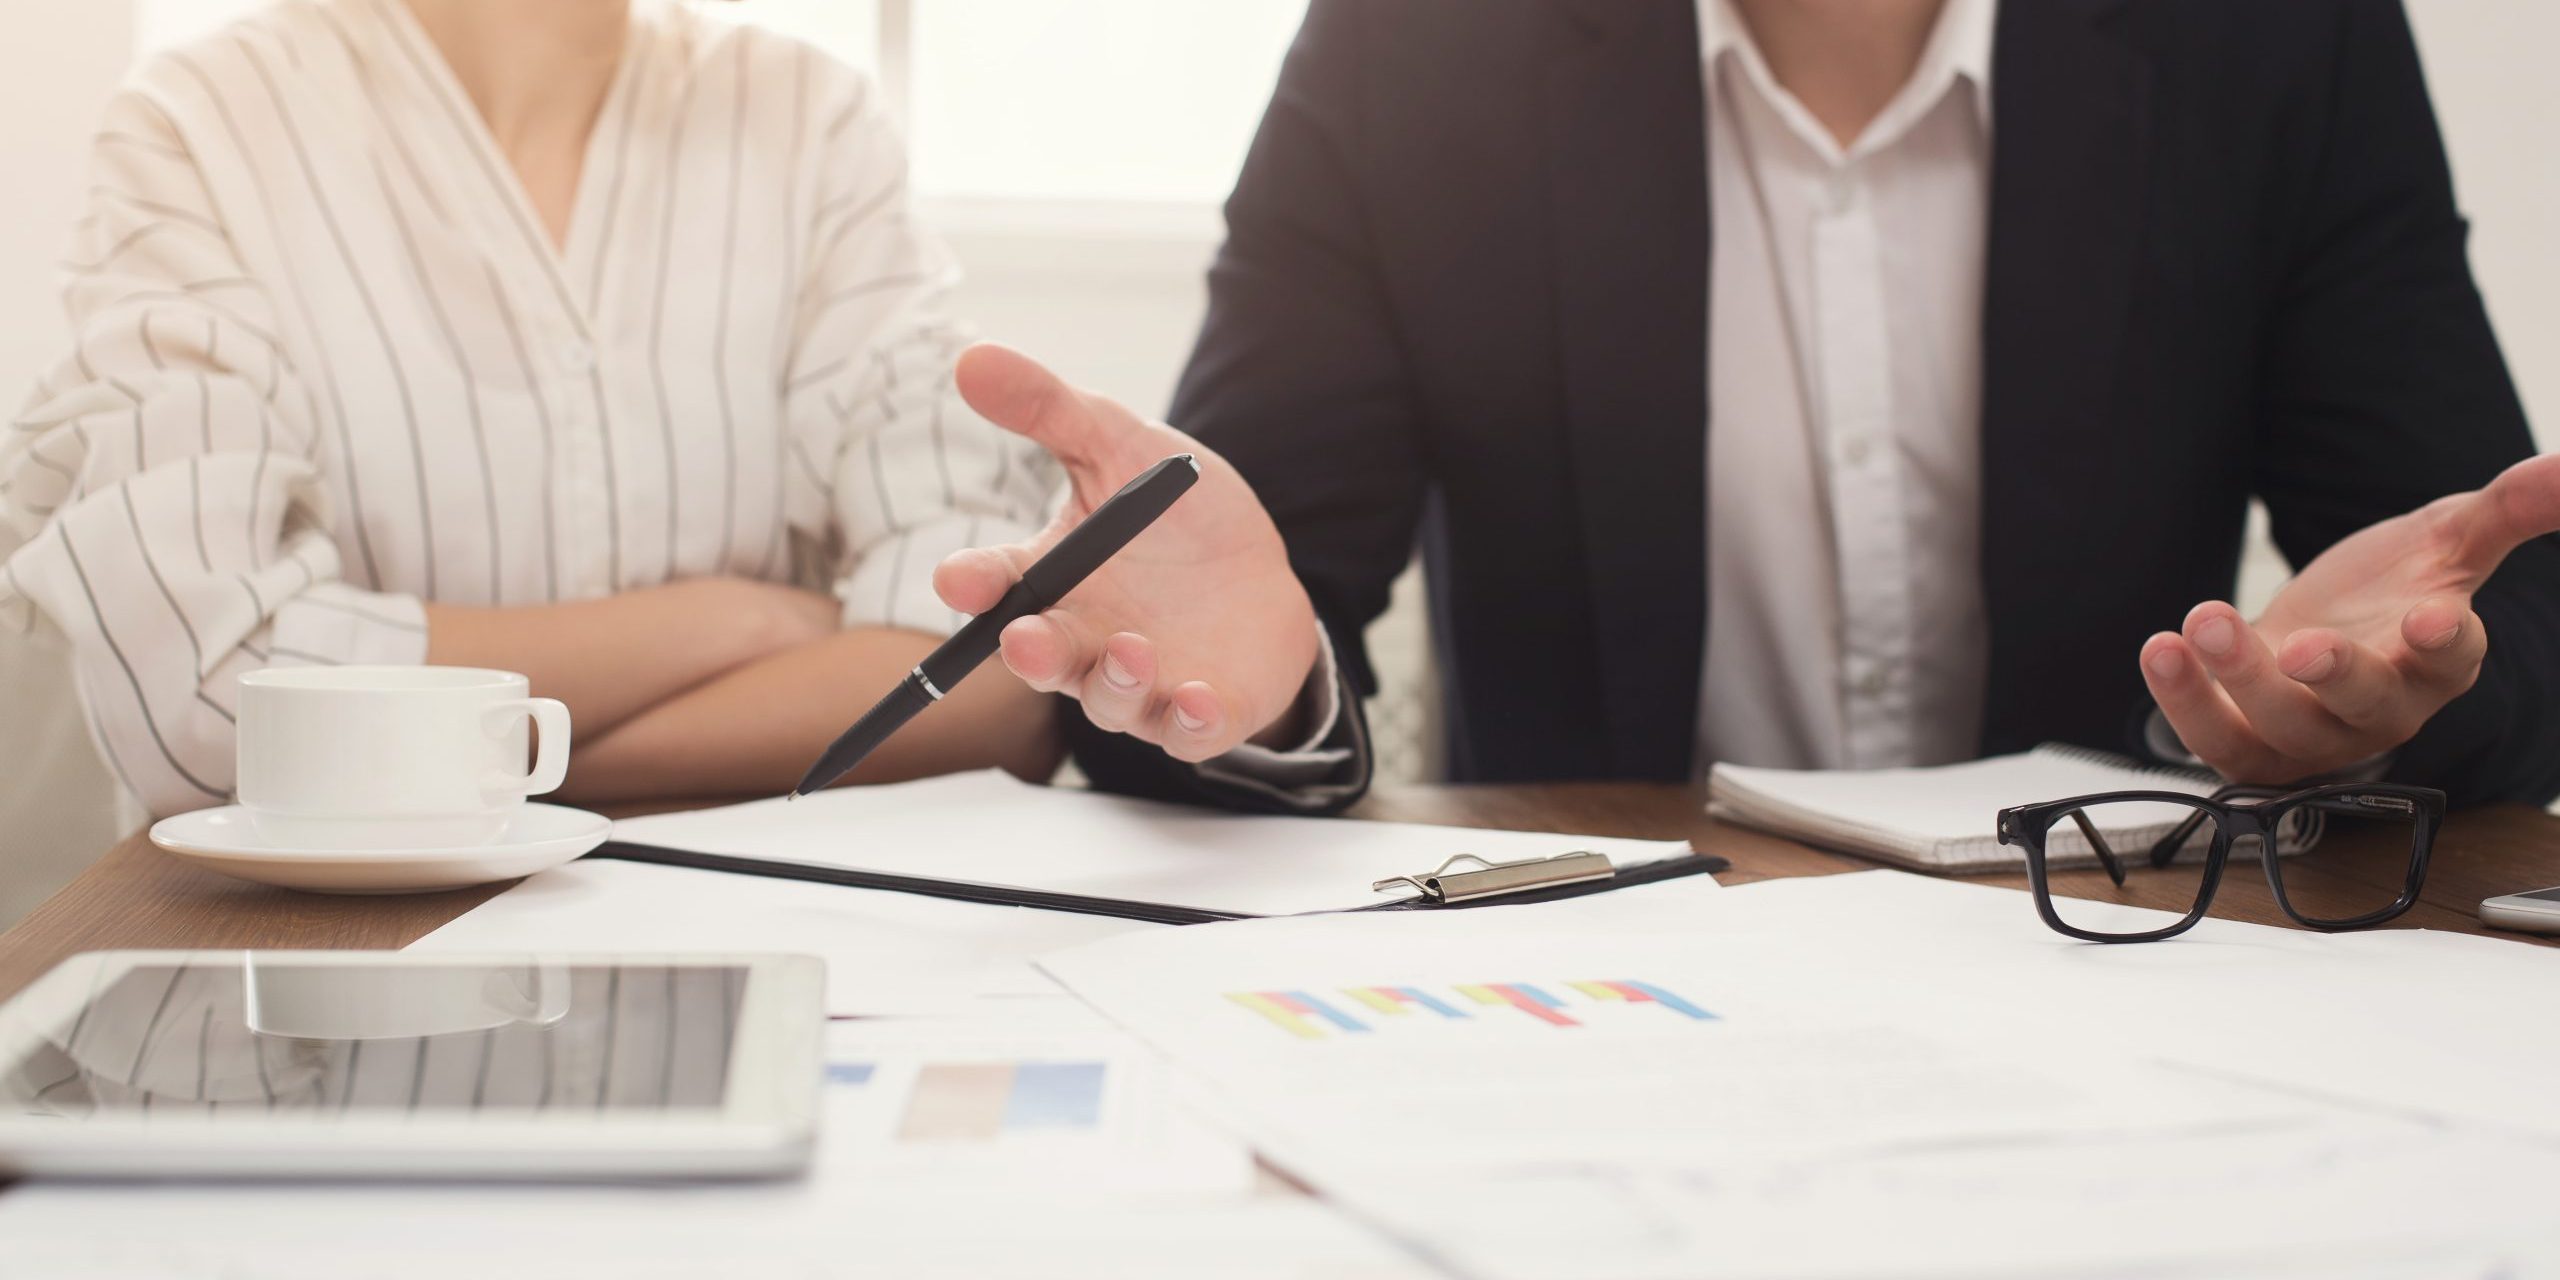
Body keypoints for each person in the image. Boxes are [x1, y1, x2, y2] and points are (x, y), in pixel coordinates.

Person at [928, 0, 2560, 814]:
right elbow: (1234, 637)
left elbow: (2507, 605)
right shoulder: (1417, 45)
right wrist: (1250, 702)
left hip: (2121, 969)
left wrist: (2403, 700)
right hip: (1601, 1015)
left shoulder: (2275, 39)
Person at [0, 0, 1062, 817]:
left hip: (744, 936)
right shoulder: (199, 124)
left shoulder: (810, 119)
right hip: (323, 984)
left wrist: (482, 763)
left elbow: (992, 677)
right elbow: (201, 704)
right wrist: (737, 621)